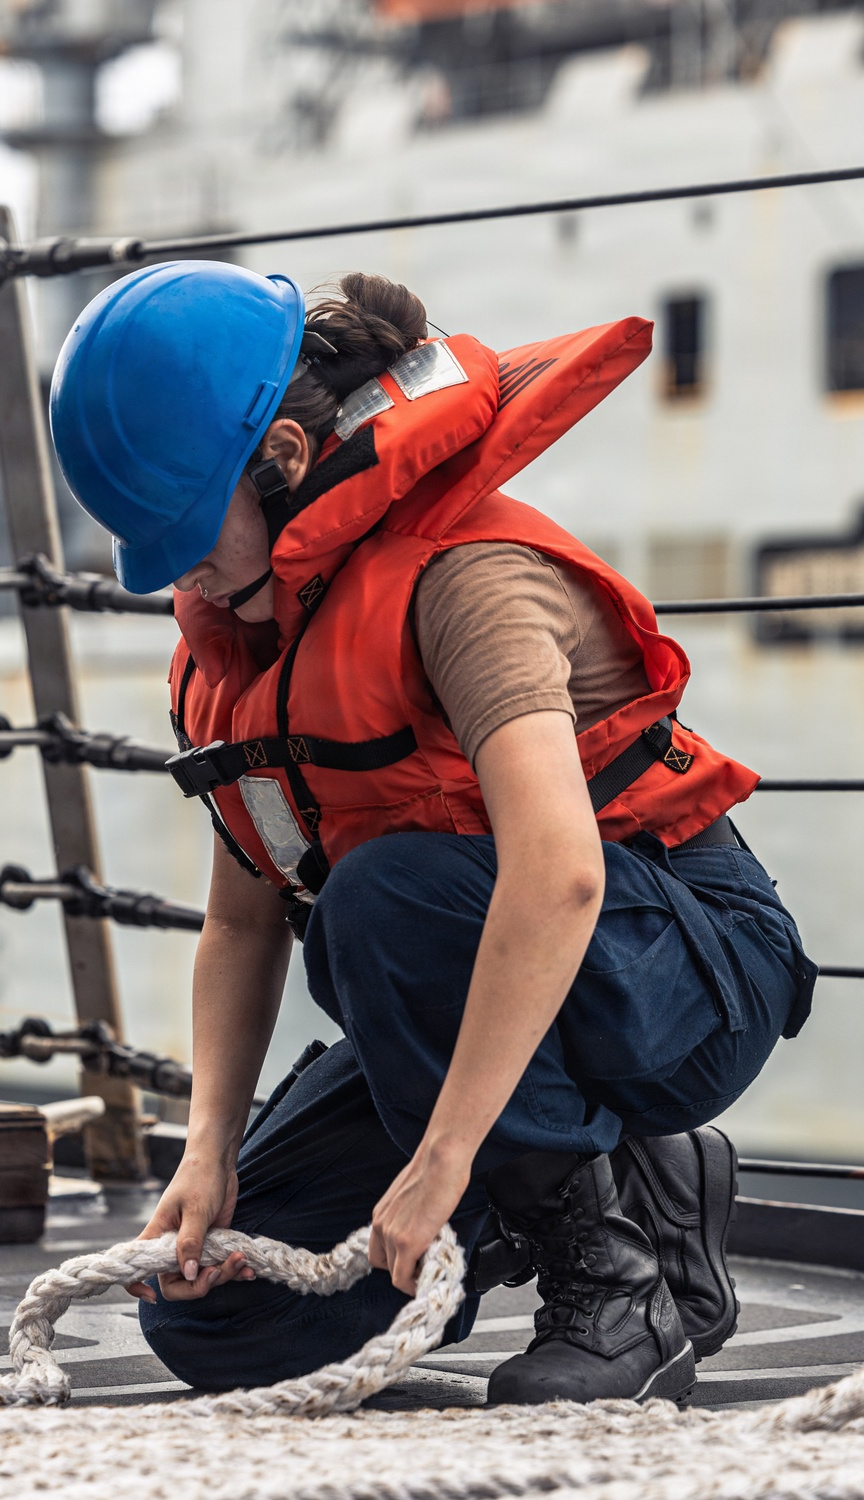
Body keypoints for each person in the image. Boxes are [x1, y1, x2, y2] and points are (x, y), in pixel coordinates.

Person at [50, 262, 817, 1406]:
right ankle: (638, 1190)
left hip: (683, 962)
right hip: (488, 977)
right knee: (220, 1320)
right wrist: (204, 1153)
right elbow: (240, 920)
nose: (179, 573)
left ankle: (612, 1287)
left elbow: (558, 879)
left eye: (188, 531)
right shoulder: (242, 645)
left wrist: (445, 1156)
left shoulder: (466, 584)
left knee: (383, 900)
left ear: (287, 462)